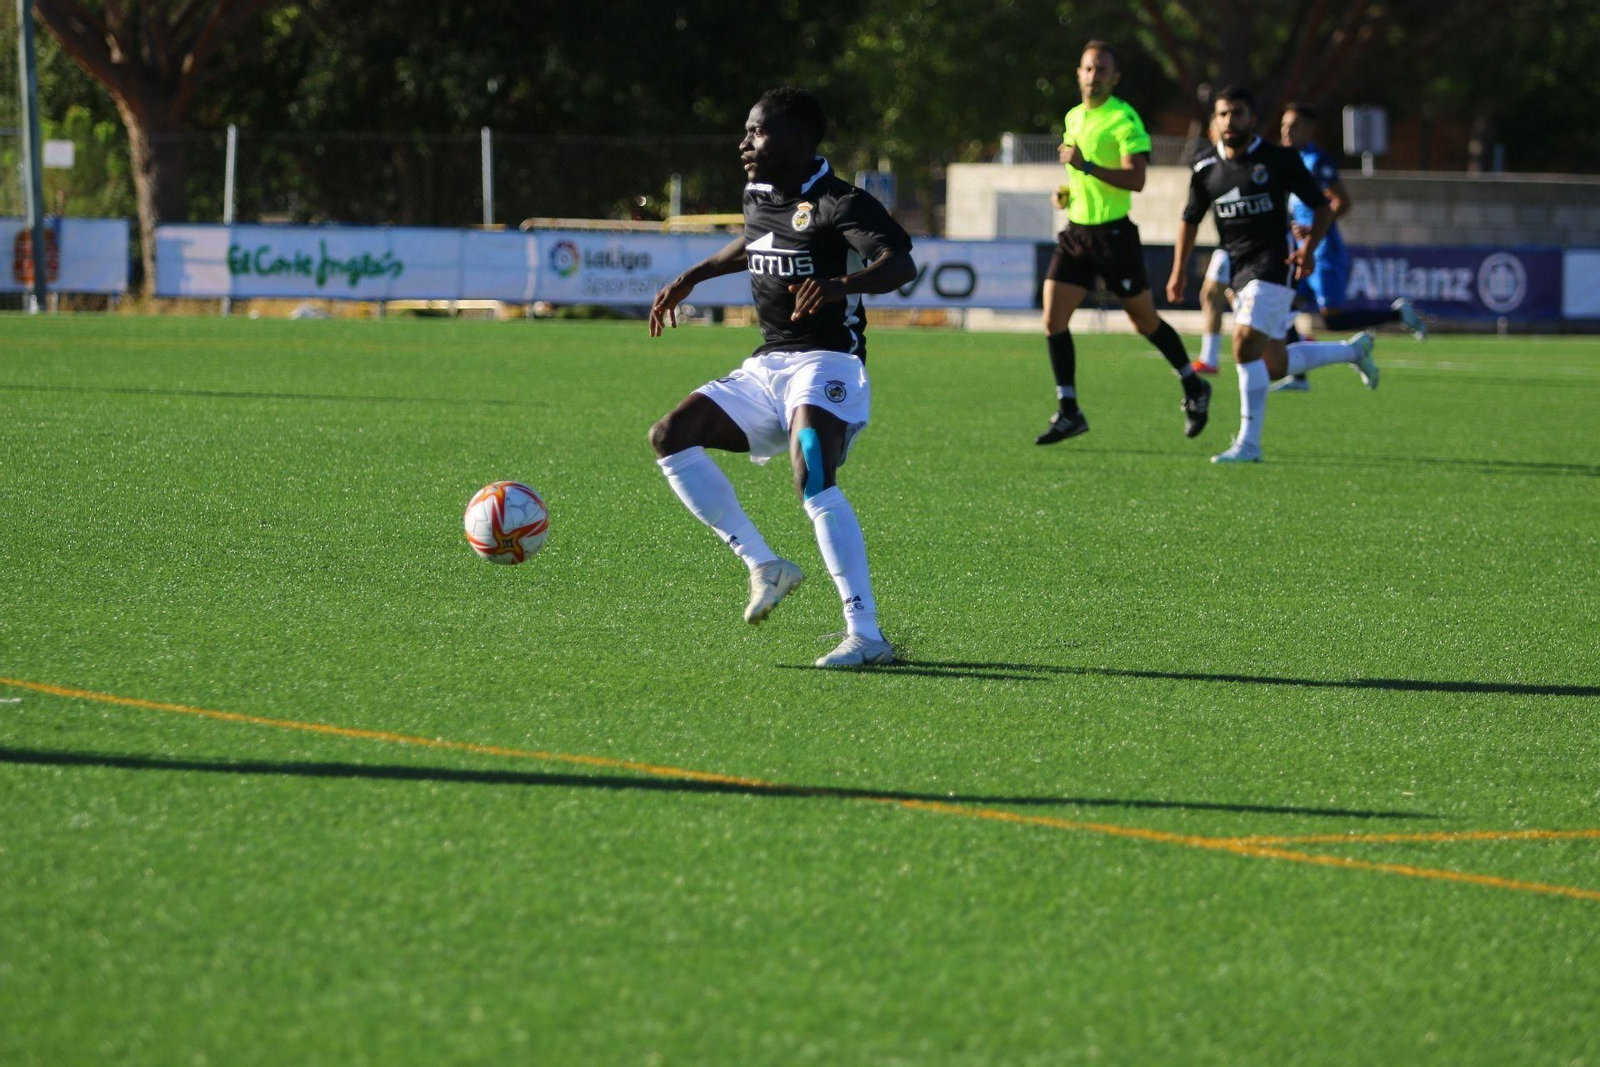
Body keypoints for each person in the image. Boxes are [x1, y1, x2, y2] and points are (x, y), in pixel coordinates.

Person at [647, 87, 915, 668]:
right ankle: (765, 565)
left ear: (796, 140)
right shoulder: (759, 193)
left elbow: (901, 263)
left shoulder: (842, 203)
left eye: (757, 132)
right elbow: (754, 241)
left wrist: (842, 285)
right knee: (670, 435)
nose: (744, 142)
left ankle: (866, 633)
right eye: (746, 132)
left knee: (812, 470)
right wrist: (693, 275)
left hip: (828, 362)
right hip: (767, 364)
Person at [1167, 86, 1382, 463]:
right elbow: (1189, 220)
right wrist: (1177, 271)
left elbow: (1324, 207)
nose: (1230, 121)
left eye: (1238, 113)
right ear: (1214, 121)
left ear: (1252, 119)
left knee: (1244, 345)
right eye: (1223, 114)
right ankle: (1353, 351)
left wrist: (1308, 250)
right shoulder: (1204, 168)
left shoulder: (1279, 160)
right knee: (1274, 363)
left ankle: (1249, 444)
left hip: (1274, 265)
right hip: (1238, 268)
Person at [1036, 40, 1212, 445]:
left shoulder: (1123, 118)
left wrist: (1088, 166)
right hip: (1076, 232)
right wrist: (1067, 193)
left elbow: (1137, 179)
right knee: (1052, 319)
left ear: (1115, 77)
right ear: (1078, 73)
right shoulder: (1073, 117)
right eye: (1088, 68)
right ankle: (1069, 410)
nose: (1093, 76)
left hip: (1114, 235)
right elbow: (1080, 177)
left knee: (1144, 321)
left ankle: (1193, 385)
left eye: (1102, 70)